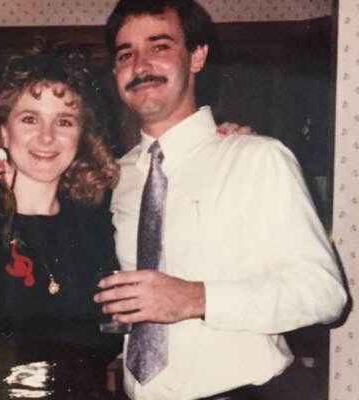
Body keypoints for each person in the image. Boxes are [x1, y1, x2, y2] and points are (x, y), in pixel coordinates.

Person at [94, 1, 348, 399]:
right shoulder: (115, 177)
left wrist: (196, 298)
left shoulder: (257, 158)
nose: (140, 65)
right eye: (126, 54)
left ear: (197, 57)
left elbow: (325, 294)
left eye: (159, 46)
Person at [0, 43, 124, 399]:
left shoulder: (96, 225)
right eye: (30, 119)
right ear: (4, 132)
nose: (47, 136)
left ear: (82, 135)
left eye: (64, 121)